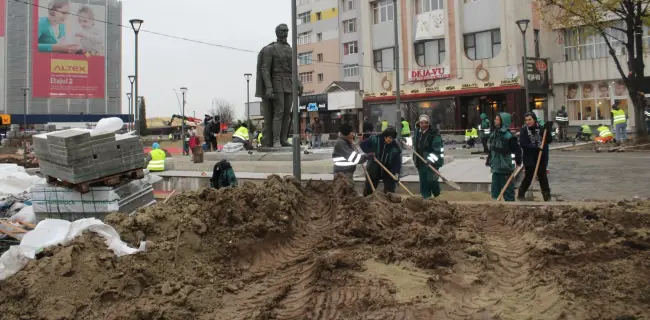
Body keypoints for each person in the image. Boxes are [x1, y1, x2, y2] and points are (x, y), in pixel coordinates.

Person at [485, 113, 522, 201]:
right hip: (496, 168)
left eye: (497, 119)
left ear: (503, 121)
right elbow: (492, 149)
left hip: (506, 169)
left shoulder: (509, 136)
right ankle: (496, 208)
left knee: (508, 192)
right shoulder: (495, 134)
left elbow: (517, 150)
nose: (494, 120)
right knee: (495, 191)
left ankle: (510, 208)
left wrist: (518, 161)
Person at [518, 113, 552, 202]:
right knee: (529, 176)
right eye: (526, 120)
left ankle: (547, 195)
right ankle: (521, 193)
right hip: (529, 157)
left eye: (530, 120)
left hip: (541, 156)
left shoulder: (541, 129)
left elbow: (548, 140)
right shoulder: (524, 130)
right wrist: (536, 148)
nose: (528, 122)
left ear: (534, 119)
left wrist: (548, 131)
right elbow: (523, 144)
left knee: (542, 176)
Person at [360, 127, 402, 196]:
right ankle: (367, 202)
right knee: (369, 189)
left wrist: (396, 173)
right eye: (389, 138)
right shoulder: (375, 139)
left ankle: (389, 203)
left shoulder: (395, 147)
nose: (391, 140)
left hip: (388, 170)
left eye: (392, 138)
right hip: (374, 167)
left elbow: (397, 162)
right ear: (385, 136)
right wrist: (370, 153)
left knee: (390, 190)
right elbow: (362, 144)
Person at [413, 114, 444, 199]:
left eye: (426, 123)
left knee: (432, 180)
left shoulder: (434, 134)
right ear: (419, 123)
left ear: (428, 123)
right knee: (423, 181)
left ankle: (438, 195)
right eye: (422, 123)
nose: (424, 125)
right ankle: (426, 198)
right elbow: (415, 145)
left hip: (432, 162)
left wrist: (430, 160)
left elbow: (437, 150)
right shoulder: (417, 132)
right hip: (420, 161)